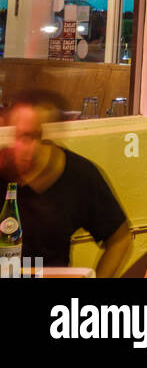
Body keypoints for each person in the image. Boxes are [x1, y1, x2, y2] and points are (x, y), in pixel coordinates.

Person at [0, 89, 132, 275]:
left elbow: (120, 239)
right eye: (20, 136)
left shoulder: (79, 175)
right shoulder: (3, 170)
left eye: (34, 136)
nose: (26, 148)